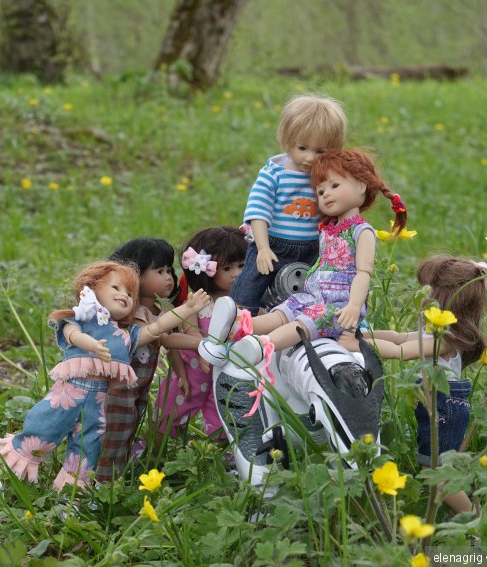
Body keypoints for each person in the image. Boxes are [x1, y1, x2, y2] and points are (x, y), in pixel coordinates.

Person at [0, 261, 209, 493]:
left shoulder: (127, 334)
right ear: (92, 288)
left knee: (88, 448)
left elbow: (155, 329)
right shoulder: (81, 317)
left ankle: (73, 493)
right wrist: (90, 344)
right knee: (42, 432)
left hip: (99, 402)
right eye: (116, 287)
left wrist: (186, 309)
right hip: (69, 394)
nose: (124, 295)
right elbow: (72, 335)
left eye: (130, 294)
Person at [201, 149, 407, 370]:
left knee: (302, 323)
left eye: (334, 186)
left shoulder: (361, 230)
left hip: (338, 307)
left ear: (362, 185)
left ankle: (263, 345)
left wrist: (354, 306)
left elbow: (363, 273)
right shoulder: (328, 228)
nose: (326, 194)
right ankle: (237, 326)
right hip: (312, 295)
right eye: (320, 191)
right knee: (283, 312)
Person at [339, 255, 487, 514]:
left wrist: (359, 345)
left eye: (429, 292)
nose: (423, 298)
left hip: (445, 406)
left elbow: (402, 352)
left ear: (448, 300)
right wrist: (364, 334)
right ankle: (477, 515)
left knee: (438, 475)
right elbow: (399, 339)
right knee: (438, 471)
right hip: (437, 402)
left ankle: (477, 523)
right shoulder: (436, 330)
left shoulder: (446, 339)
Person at [230, 93, 348, 315]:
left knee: (310, 293)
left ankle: (297, 331)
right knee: (249, 289)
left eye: (320, 151)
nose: (310, 158)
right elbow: (258, 212)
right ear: (287, 140)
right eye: (302, 148)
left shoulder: (326, 176)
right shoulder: (273, 174)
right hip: (274, 244)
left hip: (313, 248)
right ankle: (235, 325)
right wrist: (263, 248)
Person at [95, 238, 180, 482]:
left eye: (169, 270)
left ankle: (116, 473)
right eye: (160, 271)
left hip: (138, 387)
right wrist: (187, 318)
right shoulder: (131, 315)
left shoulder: (154, 311)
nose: (168, 277)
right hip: (118, 389)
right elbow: (156, 336)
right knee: (114, 433)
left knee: (128, 428)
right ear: (134, 275)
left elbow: (164, 338)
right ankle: (102, 481)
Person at [154, 226, 249, 438]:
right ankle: (156, 445)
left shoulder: (245, 302)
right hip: (195, 367)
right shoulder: (199, 300)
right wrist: (203, 349)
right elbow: (191, 331)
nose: (237, 274)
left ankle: (222, 451)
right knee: (174, 407)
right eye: (227, 269)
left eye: (242, 266)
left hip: (229, 369)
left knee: (225, 409)